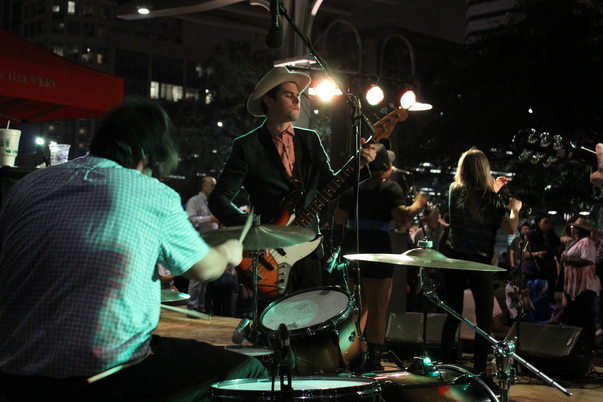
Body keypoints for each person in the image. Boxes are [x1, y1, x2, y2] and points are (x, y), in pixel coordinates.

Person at [0, 98, 266, 402]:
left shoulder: (25, 186)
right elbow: (205, 269)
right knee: (249, 371)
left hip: (14, 378)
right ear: (144, 157)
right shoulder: (150, 192)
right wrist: (230, 251)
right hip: (102, 378)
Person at [209, 66, 376, 296]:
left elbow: (328, 187)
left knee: (311, 315)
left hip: (309, 249)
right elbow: (218, 198)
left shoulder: (310, 140)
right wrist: (251, 230)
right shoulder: (247, 146)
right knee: (274, 317)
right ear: (269, 100)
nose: (297, 100)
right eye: (289, 95)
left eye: (297, 95)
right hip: (268, 254)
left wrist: (360, 165)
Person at [334, 144, 427, 370]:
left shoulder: (352, 189)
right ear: (385, 168)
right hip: (377, 249)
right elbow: (403, 217)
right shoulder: (390, 188)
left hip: (351, 246)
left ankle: (349, 356)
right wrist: (419, 202)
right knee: (377, 308)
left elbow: (339, 218)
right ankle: (374, 360)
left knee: (353, 308)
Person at [440, 148, 522, 374]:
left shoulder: (454, 190)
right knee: (483, 317)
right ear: (484, 169)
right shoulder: (491, 199)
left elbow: (473, 204)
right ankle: (478, 369)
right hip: (480, 261)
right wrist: (515, 210)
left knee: (453, 313)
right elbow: (510, 228)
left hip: (455, 258)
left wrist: (493, 190)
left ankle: (445, 364)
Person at [560, 217, 601, 351]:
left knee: (584, 315)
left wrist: (568, 259)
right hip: (575, 285)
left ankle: (589, 344)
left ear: (577, 230)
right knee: (576, 315)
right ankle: (578, 344)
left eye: (573, 228)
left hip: (584, 285)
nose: (571, 229)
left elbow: (587, 260)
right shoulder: (577, 242)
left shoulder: (586, 242)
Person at [186, 176, 220, 317]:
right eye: (212, 185)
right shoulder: (194, 200)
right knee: (196, 276)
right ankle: (192, 307)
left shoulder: (213, 202)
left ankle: (199, 307)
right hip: (197, 241)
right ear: (203, 186)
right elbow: (190, 220)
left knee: (204, 276)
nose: (214, 187)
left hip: (210, 242)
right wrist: (209, 219)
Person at [522, 213, 561, 300]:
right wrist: (537, 254)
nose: (548, 225)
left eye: (550, 223)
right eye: (545, 222)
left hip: (549, 273)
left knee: (547, 299)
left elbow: (559, 255)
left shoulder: (554, 238)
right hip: (533, 273)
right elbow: (524, 253)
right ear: (538, 223)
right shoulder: (530, 235)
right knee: (533, 299)